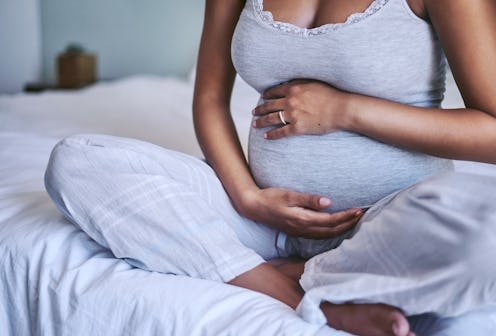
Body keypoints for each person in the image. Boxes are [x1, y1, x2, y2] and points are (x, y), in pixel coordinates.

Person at [44, 0, 496, 335]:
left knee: (487, 235)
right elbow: (208, 99)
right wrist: (247, 196)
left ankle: (309, 273)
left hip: (388, 222)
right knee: (78, 161)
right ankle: (294, 291)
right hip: (263, 222)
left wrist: (345, 110)